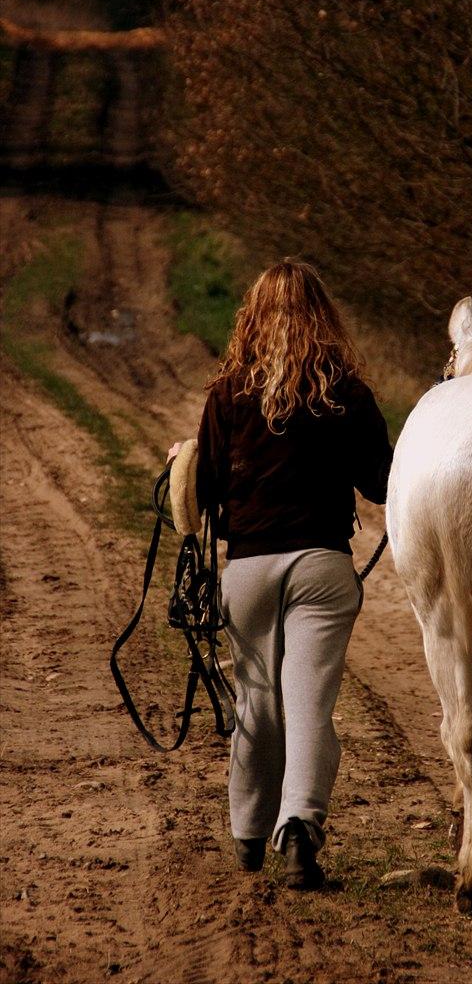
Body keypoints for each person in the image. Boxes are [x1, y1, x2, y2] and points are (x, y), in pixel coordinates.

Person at [169, 260, 392, 890]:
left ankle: (247, 834)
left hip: (249, 569)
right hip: (322, 567)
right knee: (310, 705)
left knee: (257, 702)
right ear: (323, 316)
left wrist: (184, 459)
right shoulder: (347, 393)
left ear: (253, 316)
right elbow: (382, 484)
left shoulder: (228, 393)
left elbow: (205, 490)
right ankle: (298, 831)